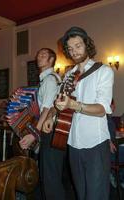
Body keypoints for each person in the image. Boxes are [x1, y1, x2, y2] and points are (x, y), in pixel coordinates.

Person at [43, 26, 114, 200]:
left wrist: (74, 105)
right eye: (70, 48)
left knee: (96, 196)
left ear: (87, 45)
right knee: (81, 194)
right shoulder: (68, 75)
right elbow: (59, 102)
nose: (74, 51)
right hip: (73, 143)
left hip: (95, 144)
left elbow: (102, 109)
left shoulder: (103, 71)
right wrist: (51, 116)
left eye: (78, 45)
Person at [19, 48, 69, 200]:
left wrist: (34, 134)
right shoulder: (49, 79)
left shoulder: (50, 79)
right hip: (54, 130)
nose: (38, 56)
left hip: (51, 131)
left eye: (43, 55)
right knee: (51, 177)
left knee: (50, 179)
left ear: (51, 60)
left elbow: (47, 108)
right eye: (38, 54)